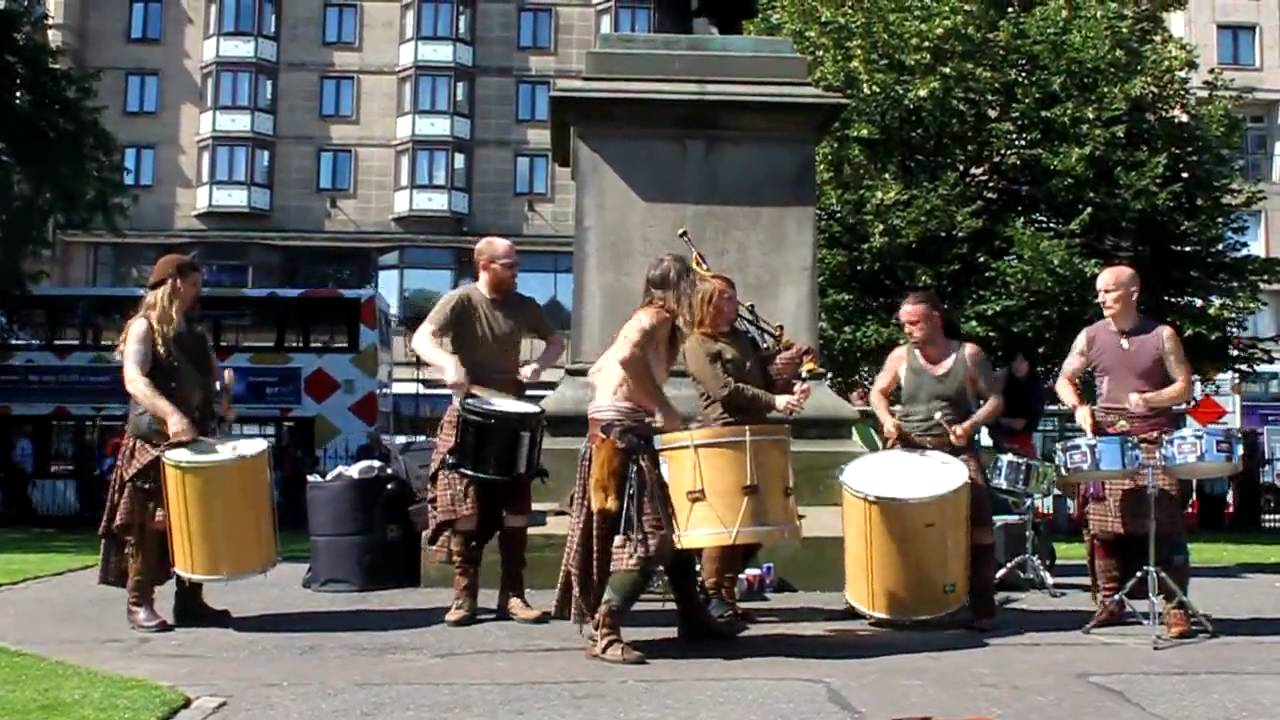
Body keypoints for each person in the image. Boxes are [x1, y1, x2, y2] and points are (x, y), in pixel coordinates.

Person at [552, 254, 741, 666]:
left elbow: (598, 370)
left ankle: (693, 618)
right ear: (684, 289)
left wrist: (634, 405)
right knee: (649, 538)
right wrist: (661, 407)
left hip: (615, 431)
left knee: (670, 537)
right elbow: (623, 361)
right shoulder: (655, 318)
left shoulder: (647, 317)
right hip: (622, 438)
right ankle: (606, 630)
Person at [409, 236, 566, 627]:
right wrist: (449, 364)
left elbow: (556, 341)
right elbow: (421, 338)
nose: (516, 272)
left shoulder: (524, 305)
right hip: (469, 412)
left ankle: (513, 596)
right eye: (509, 265)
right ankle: (464, 597)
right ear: (485, 265)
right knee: (466, 508)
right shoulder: (461, 300)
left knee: (516, 508)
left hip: (513, 415)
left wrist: (539, 366)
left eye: (516, 264)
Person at [1055, 264, 1195, 638]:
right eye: (1099, 292)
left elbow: (1184, 387)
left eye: (1109, 291)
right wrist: (1078, 407)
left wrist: (1150, 399)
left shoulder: (1162, 335)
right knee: (1101, 525)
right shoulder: (1090, 336)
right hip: (1108, 439)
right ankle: (1110, 601)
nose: (1101, 298)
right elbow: (1064, 380)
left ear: (1132, 293)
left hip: (1153, 437)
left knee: (1164, 521)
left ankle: (1176, 608)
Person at [97, 254, 234, 632]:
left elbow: (208, 384)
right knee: (148, 526)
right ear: (174, 283)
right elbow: (135, 381)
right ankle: (138, 603)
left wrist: (222, 401)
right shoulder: (143, 327)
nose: (197, 293)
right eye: (193, 285)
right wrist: (171, 415)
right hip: (154, 443)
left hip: (193, 443)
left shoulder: (194, 334)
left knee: (196, 524)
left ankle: (190, 603)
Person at [868, 290, 1004, 630]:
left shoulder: (969, 354)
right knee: (893, 523)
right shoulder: (900, 357)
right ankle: (891, 598)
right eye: (904, 324)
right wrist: (887, 419)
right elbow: (877, 392)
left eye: (914, 323)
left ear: (935, 320)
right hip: (909, 448)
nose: (908, 330)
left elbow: (995, 400)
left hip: (954, 450)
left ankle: (983, 608)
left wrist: (971, 425)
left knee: (980, 522)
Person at [681, 273, 813, 621]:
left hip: (756, 432)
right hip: (722, 436)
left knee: (754, 521)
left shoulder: (742, 337)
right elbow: (723, 389)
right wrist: (775, 401)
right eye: (725, 298)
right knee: (723, 519)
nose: (733, 304)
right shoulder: (698, 343)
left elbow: (764, 378)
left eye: (734, 297)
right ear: (706, 303)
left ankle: (727, 591)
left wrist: (790, 380)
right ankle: (711, 593)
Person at [992, 350, 1046, 459]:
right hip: (998, 442)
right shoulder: (1003, 382)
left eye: (1022, 361)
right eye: (1014, 361)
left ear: (1029, 364)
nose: (1017, 365)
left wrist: (1000, 420)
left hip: (1022, 443)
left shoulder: (1035, 388)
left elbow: (1021, 423)